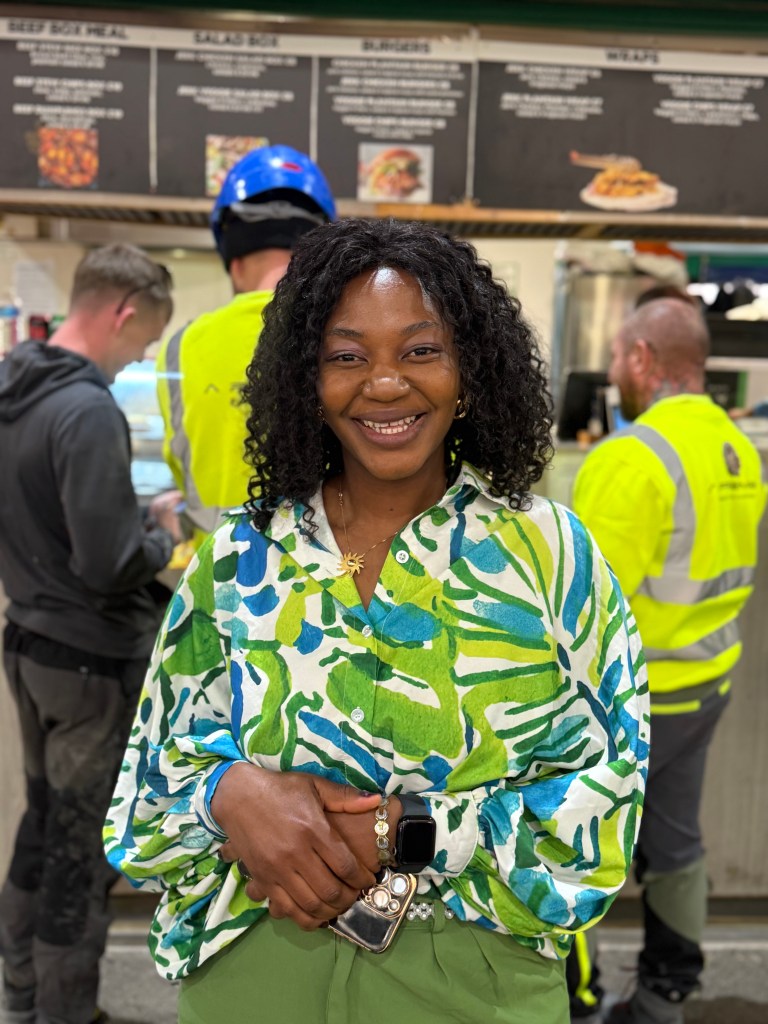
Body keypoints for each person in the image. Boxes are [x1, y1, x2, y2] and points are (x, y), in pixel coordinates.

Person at [106, 219, 649, 1024]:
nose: (385, 383)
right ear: (306, 377)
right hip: (255, 972)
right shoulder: (240, 560)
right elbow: (144, 802)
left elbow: (608, 804)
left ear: (470, 368)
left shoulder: (549, 558)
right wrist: (225, 794)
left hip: (475, 983)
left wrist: (411, 832)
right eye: (346, 356)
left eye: (421, 350)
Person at [568, 298, 766, 1024]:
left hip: (630, 700)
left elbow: (584, 605)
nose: (614, 372)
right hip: (705, 685)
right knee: (676, 841)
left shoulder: (631, 457)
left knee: (575, 845)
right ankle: (664, 999)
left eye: (617, 357)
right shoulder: (736, 447)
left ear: (642, 358)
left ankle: (579, 1001)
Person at [0, 243, 183, 1024]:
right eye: (143, 342)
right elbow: (109, 564)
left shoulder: (15, 388)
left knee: (42, 825)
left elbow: (52, 518)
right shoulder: (86, 409)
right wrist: (163, 536)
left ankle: (20, 995)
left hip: (29, 641)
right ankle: (66, 1013)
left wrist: (128, 519)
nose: (137, 359)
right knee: (80, 849)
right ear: (121, 313)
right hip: (89, 663)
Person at [156, 143, 336, 546]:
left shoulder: (181, 346)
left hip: (217, 571)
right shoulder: (345, 336)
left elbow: (179, 462)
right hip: (327, 574)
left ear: (233, 261)